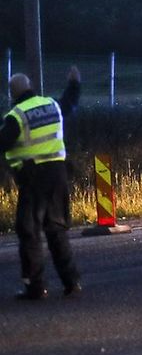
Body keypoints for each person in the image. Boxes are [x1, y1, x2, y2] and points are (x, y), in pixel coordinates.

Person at [3, 67, 82, 300]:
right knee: (57, 229)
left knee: (29, 231)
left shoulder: (17, 115)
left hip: (34, 176)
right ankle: (72, 281)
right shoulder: (52, 105)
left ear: (12, 94)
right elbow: (70, 104)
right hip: (58, 174)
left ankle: (35, 286)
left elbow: (3, 142)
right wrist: (75, 84)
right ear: (31, 87)